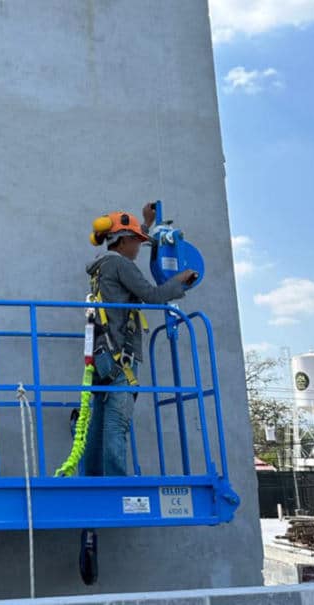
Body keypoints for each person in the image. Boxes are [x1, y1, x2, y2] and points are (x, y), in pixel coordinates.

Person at [82, 203, 195, 477]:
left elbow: (127, 254)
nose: (139, 248)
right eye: (137, 241)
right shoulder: (120, 263)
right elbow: (152, 295)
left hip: (101, 354)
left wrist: (145, 224)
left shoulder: (103, 266)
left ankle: (94, 482)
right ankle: (117, 487)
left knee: (97, 423)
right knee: (116, 422)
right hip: (121, 356)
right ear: (124, 241)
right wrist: (180, 281)